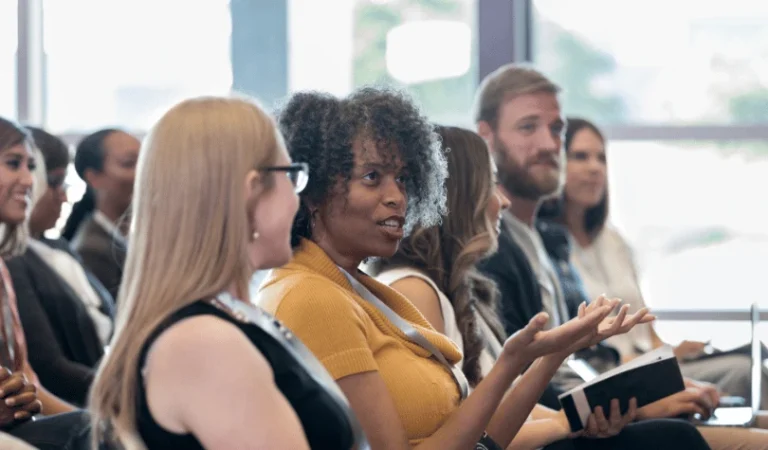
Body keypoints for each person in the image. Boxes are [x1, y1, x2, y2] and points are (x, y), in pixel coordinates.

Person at [258, 88, 647, 449]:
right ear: (314, 192)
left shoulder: (358, 289)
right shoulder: (312, 297)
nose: (397, 197)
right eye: (372, 177)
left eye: (404, 179)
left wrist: (543, 356)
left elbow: (479, 441)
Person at [474, 63, 766, 450]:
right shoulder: (492, 250)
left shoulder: (544, 242)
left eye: (557, 129)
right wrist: (640, 403)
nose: (548, 144)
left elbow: (571, 369)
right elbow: (518, 393)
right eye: (528, 127)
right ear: (486, 137)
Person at [373, 125, 711, 450]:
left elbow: (493, 412)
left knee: (678, 435)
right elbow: (469, 436)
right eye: (490, 184)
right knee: (679, 438)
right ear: (458, 199)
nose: (503, 201)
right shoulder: (416, 290)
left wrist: (570, 396)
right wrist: (565, 421)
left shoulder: (450, 288)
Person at [89, 96, 365, 449]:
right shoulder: (203, 343)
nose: (298, 198)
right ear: (250, 191)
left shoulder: (221, 319)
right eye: (291, 175)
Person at [6, 127, 114, 406]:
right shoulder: (14, 261)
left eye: (31, 167)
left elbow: (26, 377)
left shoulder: (58, 248)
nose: (29, 180)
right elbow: (48, 367)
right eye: (13, 164)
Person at [60, 128, 140, 300]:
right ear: (93, 177)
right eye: (129, 163)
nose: (142, 173)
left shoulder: (131, 237)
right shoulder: (91, 251)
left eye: (145, 162)